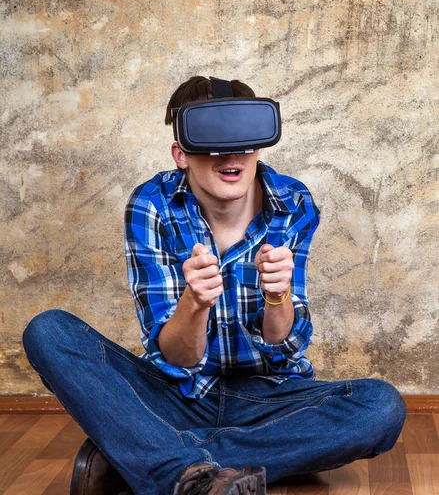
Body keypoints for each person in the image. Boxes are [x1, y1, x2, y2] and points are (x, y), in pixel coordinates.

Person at [22, 76, 407, 495]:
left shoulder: (292, 202)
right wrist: (195, 304)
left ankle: (163, 462)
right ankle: (181, 463)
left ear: (260, 142)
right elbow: (175, 358)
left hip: (270, 400)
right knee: (49, 330)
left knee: (380, 407)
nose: (231, 154)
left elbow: (286, 345)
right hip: (176, 398)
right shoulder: (151, 205)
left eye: (243, 139)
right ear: (181, 154)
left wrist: (277, 296)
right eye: (211, 140)